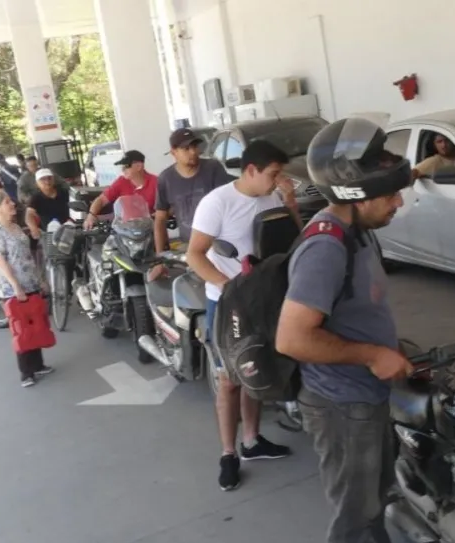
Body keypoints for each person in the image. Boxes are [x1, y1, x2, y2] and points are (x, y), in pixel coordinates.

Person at [275, 117, 440, 543]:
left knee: (377, 491)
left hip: (368, 391)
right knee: (352, 510)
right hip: (340, 400)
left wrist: (432, 161)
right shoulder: (326, 246)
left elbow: (401, 179)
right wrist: (373, 354)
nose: (398, 202)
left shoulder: (358, 224)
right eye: (389, 195)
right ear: (355, 193)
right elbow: (293, 337)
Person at [186, 140, 298, 491]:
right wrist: (228, 285)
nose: (278, 179)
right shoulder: (217, 202)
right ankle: (228, 453)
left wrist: (290, 201)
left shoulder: (272, 197)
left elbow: (293, 236)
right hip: (230, 302)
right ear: (251, 170)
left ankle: (252, 440)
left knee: (256, 367)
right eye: (274, 173)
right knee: (230, 380)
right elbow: (195, 255)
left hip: (265, 299)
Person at [0, 189, 54, 388]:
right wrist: (16, 286)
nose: (12, 204)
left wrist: (39, 278)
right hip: (12, 288)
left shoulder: (15, 227)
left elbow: (28, 255)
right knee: (22, 329)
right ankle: (26, 373)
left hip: (30, 281)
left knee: (36, 323)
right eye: (7, 202)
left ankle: (38, 364)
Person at [147, 128, 234, 279]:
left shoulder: (213, 168)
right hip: (190, 247)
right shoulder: (165, 179)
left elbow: (229, 203)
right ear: (173, 152)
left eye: (194, 147)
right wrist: (160, 259)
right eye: (186, 148)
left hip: (221, 245)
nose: (193, 152)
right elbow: (160, 219)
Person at [83, 150, 157, 229]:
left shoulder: (156, 182)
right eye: (122, 167)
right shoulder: (121, 181)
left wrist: (155, 216)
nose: (123, 170)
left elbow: (167, 208)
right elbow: (101, 200)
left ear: (139, 166)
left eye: (126, 166)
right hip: (125, 230)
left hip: (149, 229)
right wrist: (91, 215)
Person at [26, 169, 70, 237]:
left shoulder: (63, 192)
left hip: (67, 231)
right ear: (37, 183)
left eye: (49, 178)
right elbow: (29, 215)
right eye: (43, 179)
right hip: (48, 234)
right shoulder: (35, 198)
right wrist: (33, 228)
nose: (47, 181)